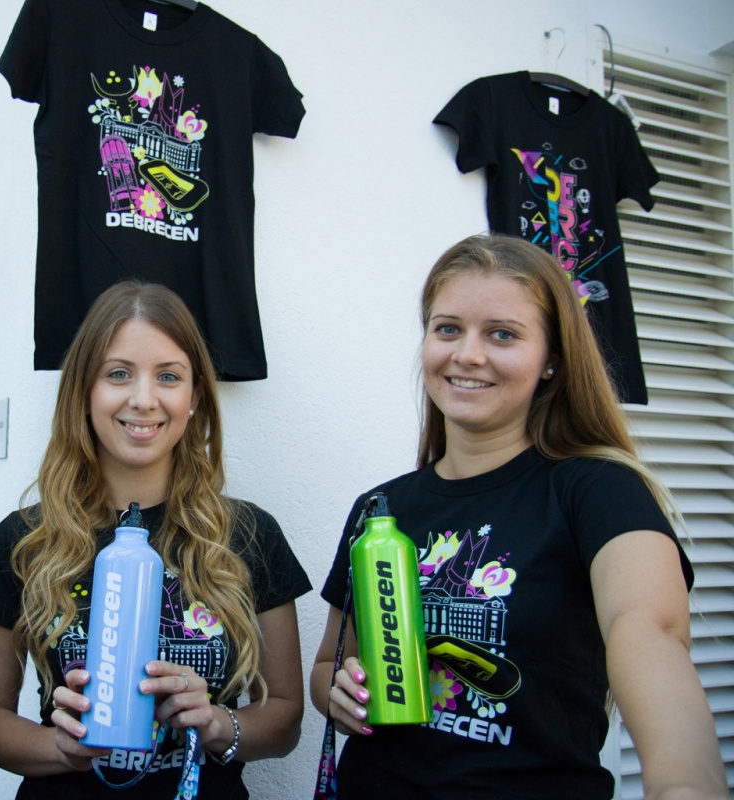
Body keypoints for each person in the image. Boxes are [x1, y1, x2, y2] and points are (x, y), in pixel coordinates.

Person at [309, 234, 725, 799]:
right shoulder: (379, 509)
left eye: (502, 334)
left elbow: (649, 629)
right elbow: (331, 665)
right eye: (448, 328)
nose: (467, 354)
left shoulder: (598, 491)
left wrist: (684, 784)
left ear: (551, 359)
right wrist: (340, 695)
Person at [0, 281, 311, 798]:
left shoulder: (250, 535)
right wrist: (59, 747)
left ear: (194, 397)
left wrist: (215, 723)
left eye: (168, 376)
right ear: (85, 391)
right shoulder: (26, 538)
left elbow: (285, 718)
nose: (144, 400)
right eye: (118, 373)